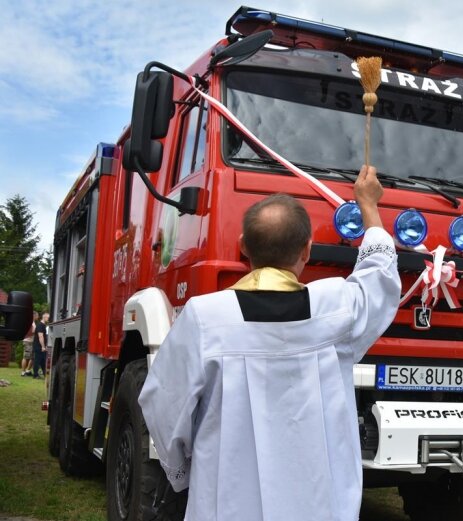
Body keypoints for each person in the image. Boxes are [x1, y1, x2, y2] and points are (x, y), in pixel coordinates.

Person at [139, 165, 401, 521]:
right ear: (307, 250)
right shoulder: (336, 308)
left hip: (227, 502)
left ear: (243, 247)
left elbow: (163, 403)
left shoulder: (205, 318)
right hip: (319, 505)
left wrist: (183, 469)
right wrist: (368, 205)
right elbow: (380, 277)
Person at [31, 312, 49, 379]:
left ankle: (45, 374)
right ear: (44, 317)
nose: (49, 319)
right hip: (38, 346)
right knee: (37, 360)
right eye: (48, 318)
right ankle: (35, 375)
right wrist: (43, 346)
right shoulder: (40, 325)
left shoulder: (43, 325)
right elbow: (40, 336)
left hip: (40, 346)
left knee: (43, 361)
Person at [20, 311, 37, 376]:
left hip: (32, 342)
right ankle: (23, 372)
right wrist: (36, 332)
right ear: (33, 315)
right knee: (26, 357)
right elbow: (29, 332)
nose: (37, 317)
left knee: (32, 357)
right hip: (28, 341)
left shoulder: (33, 322)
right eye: (36, 315)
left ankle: (28, 370)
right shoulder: (29, 322)